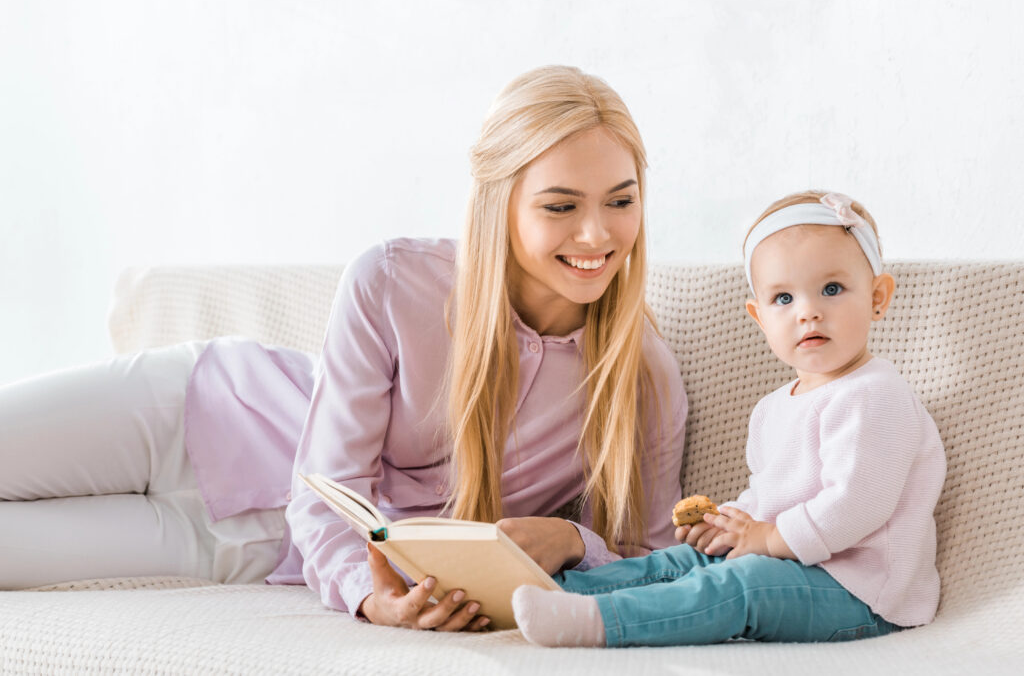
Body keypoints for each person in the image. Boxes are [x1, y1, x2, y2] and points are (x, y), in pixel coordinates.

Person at [0, 65, 688, 632]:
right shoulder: (394, 280)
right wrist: (367, 585)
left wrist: (571, 541)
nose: (597, 235)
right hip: (191, 414)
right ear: (499, 202)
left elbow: (655, 561)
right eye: (561, 205)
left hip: (242, 549)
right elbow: (329, 483)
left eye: (621, 201)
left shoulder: (642, 377)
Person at [512, 190, 947, 647]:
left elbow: (857, 505)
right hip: (790, 562)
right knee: (681, 561)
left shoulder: (876, 395)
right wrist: (732, 525)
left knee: (742, 587)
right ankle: (557, 593)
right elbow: (769, 498)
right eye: (783, 298)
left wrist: (765, 537)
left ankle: (601, 621)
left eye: (832, 290)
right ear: (760, 319)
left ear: (878, 297)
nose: (808, 311)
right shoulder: (773, 408)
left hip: (861, 592)